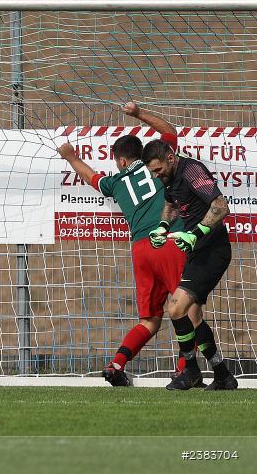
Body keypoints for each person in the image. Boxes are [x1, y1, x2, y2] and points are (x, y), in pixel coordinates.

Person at [58, 102, 190, 386]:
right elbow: (169, 131)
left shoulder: (115, 182)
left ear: (119, 162)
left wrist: (70, 156)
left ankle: (116, 364)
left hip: (142, 249)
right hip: (171, 240)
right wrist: (139, 113)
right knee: (188, 309)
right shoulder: (156, 165)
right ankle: (184, 371)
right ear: (142, 155)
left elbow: (90, 176)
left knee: (150, 320)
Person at [143, 130, 237, 391]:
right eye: (153, 172)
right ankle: (222, 375)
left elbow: (221, 205)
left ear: (171, 158)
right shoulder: (170, 178)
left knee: (175, 308)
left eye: (158, 169)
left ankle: (191, 371)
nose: (156, 175)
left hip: (212, 250)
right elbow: (171, 205)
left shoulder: (191, 170)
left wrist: (197, 234)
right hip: (197, 251)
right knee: (193, 317)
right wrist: (162, 226)